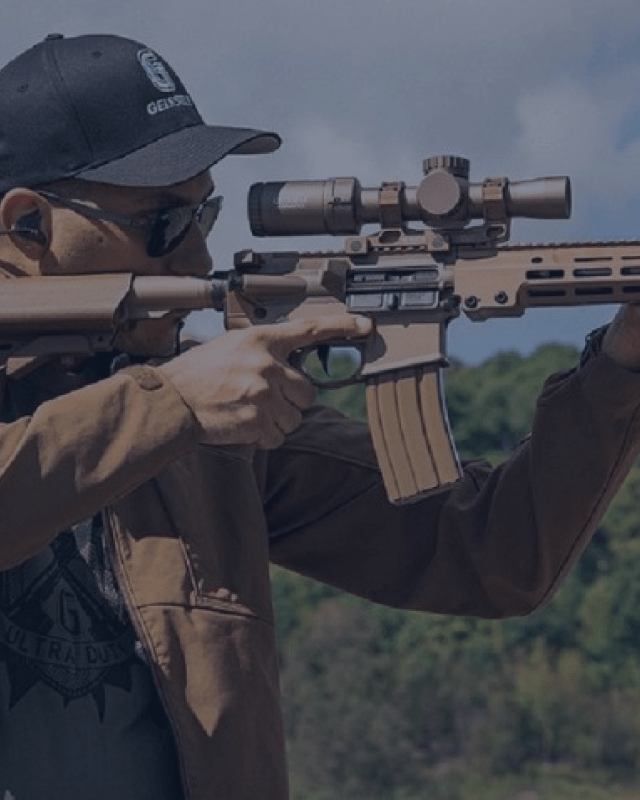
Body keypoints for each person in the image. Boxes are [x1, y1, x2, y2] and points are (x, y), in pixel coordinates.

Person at [0, 32, 639, 800]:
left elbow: (489, 556)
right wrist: (170, 405)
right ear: (26, 223)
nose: (201, 256)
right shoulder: (185, 404)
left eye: (204, 212)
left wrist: (620, 370)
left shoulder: (211, 425)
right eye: (163, 222)